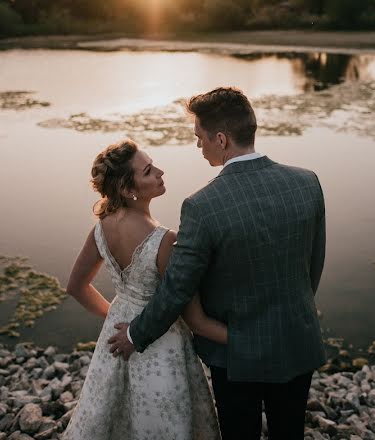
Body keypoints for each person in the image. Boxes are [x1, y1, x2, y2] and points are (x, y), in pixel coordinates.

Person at [108, 86, 327, 440]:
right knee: (291, 432)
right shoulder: (307, 183)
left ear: (221, 139)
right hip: (297, 339)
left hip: (236, 354)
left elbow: (178, 287)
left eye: (200, 137)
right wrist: (290, 314)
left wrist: (136, 333)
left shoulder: (203, 206)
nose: (198, 146)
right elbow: (311, 269)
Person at [62, 139, 223, 440]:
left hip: (117, 331)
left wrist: (115, 314)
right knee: (163, 417)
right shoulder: (165, 241)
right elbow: (188, 313)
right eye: (148, 171)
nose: (161, 172)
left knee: (111, 413)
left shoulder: (101, 227)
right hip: (161, 339)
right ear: (127, 189)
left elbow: (76, 286)